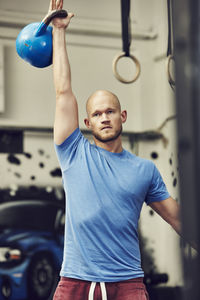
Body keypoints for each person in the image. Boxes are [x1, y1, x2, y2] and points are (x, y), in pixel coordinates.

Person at [50, 0, 181, 299]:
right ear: (87, 122)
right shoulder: (73, 152)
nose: (104, 117)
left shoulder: (144, 170)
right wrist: (59, 33)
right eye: (96, 114)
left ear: (122, 117)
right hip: (75, 281)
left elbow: (177, 219)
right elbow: (62, 91)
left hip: (127, 283)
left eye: (110, 111)